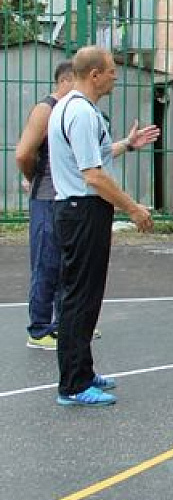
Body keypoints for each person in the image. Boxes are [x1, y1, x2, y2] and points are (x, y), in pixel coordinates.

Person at [46, 46, 159, 406]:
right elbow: (93, 175)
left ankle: (82, 370)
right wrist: (133, 208)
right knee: (79, 297)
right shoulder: (80, 112)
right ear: (94, 75)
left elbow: (96, 154)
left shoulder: (77, 107)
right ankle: (73, 385)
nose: (115, 75)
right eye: (111, 70)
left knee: (85, 295)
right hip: (81, 210)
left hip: (79, 210)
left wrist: (128, 144)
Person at [14, 61, 74, 350]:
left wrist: (127, 143)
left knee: (65, 265)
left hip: (65, 199)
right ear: (66, 81)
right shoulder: (45, 109)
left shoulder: (70, 110)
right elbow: (23, 154)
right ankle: (38, 330)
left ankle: (64, 325)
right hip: (46, 199)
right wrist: (35, 179)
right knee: (46, 263)